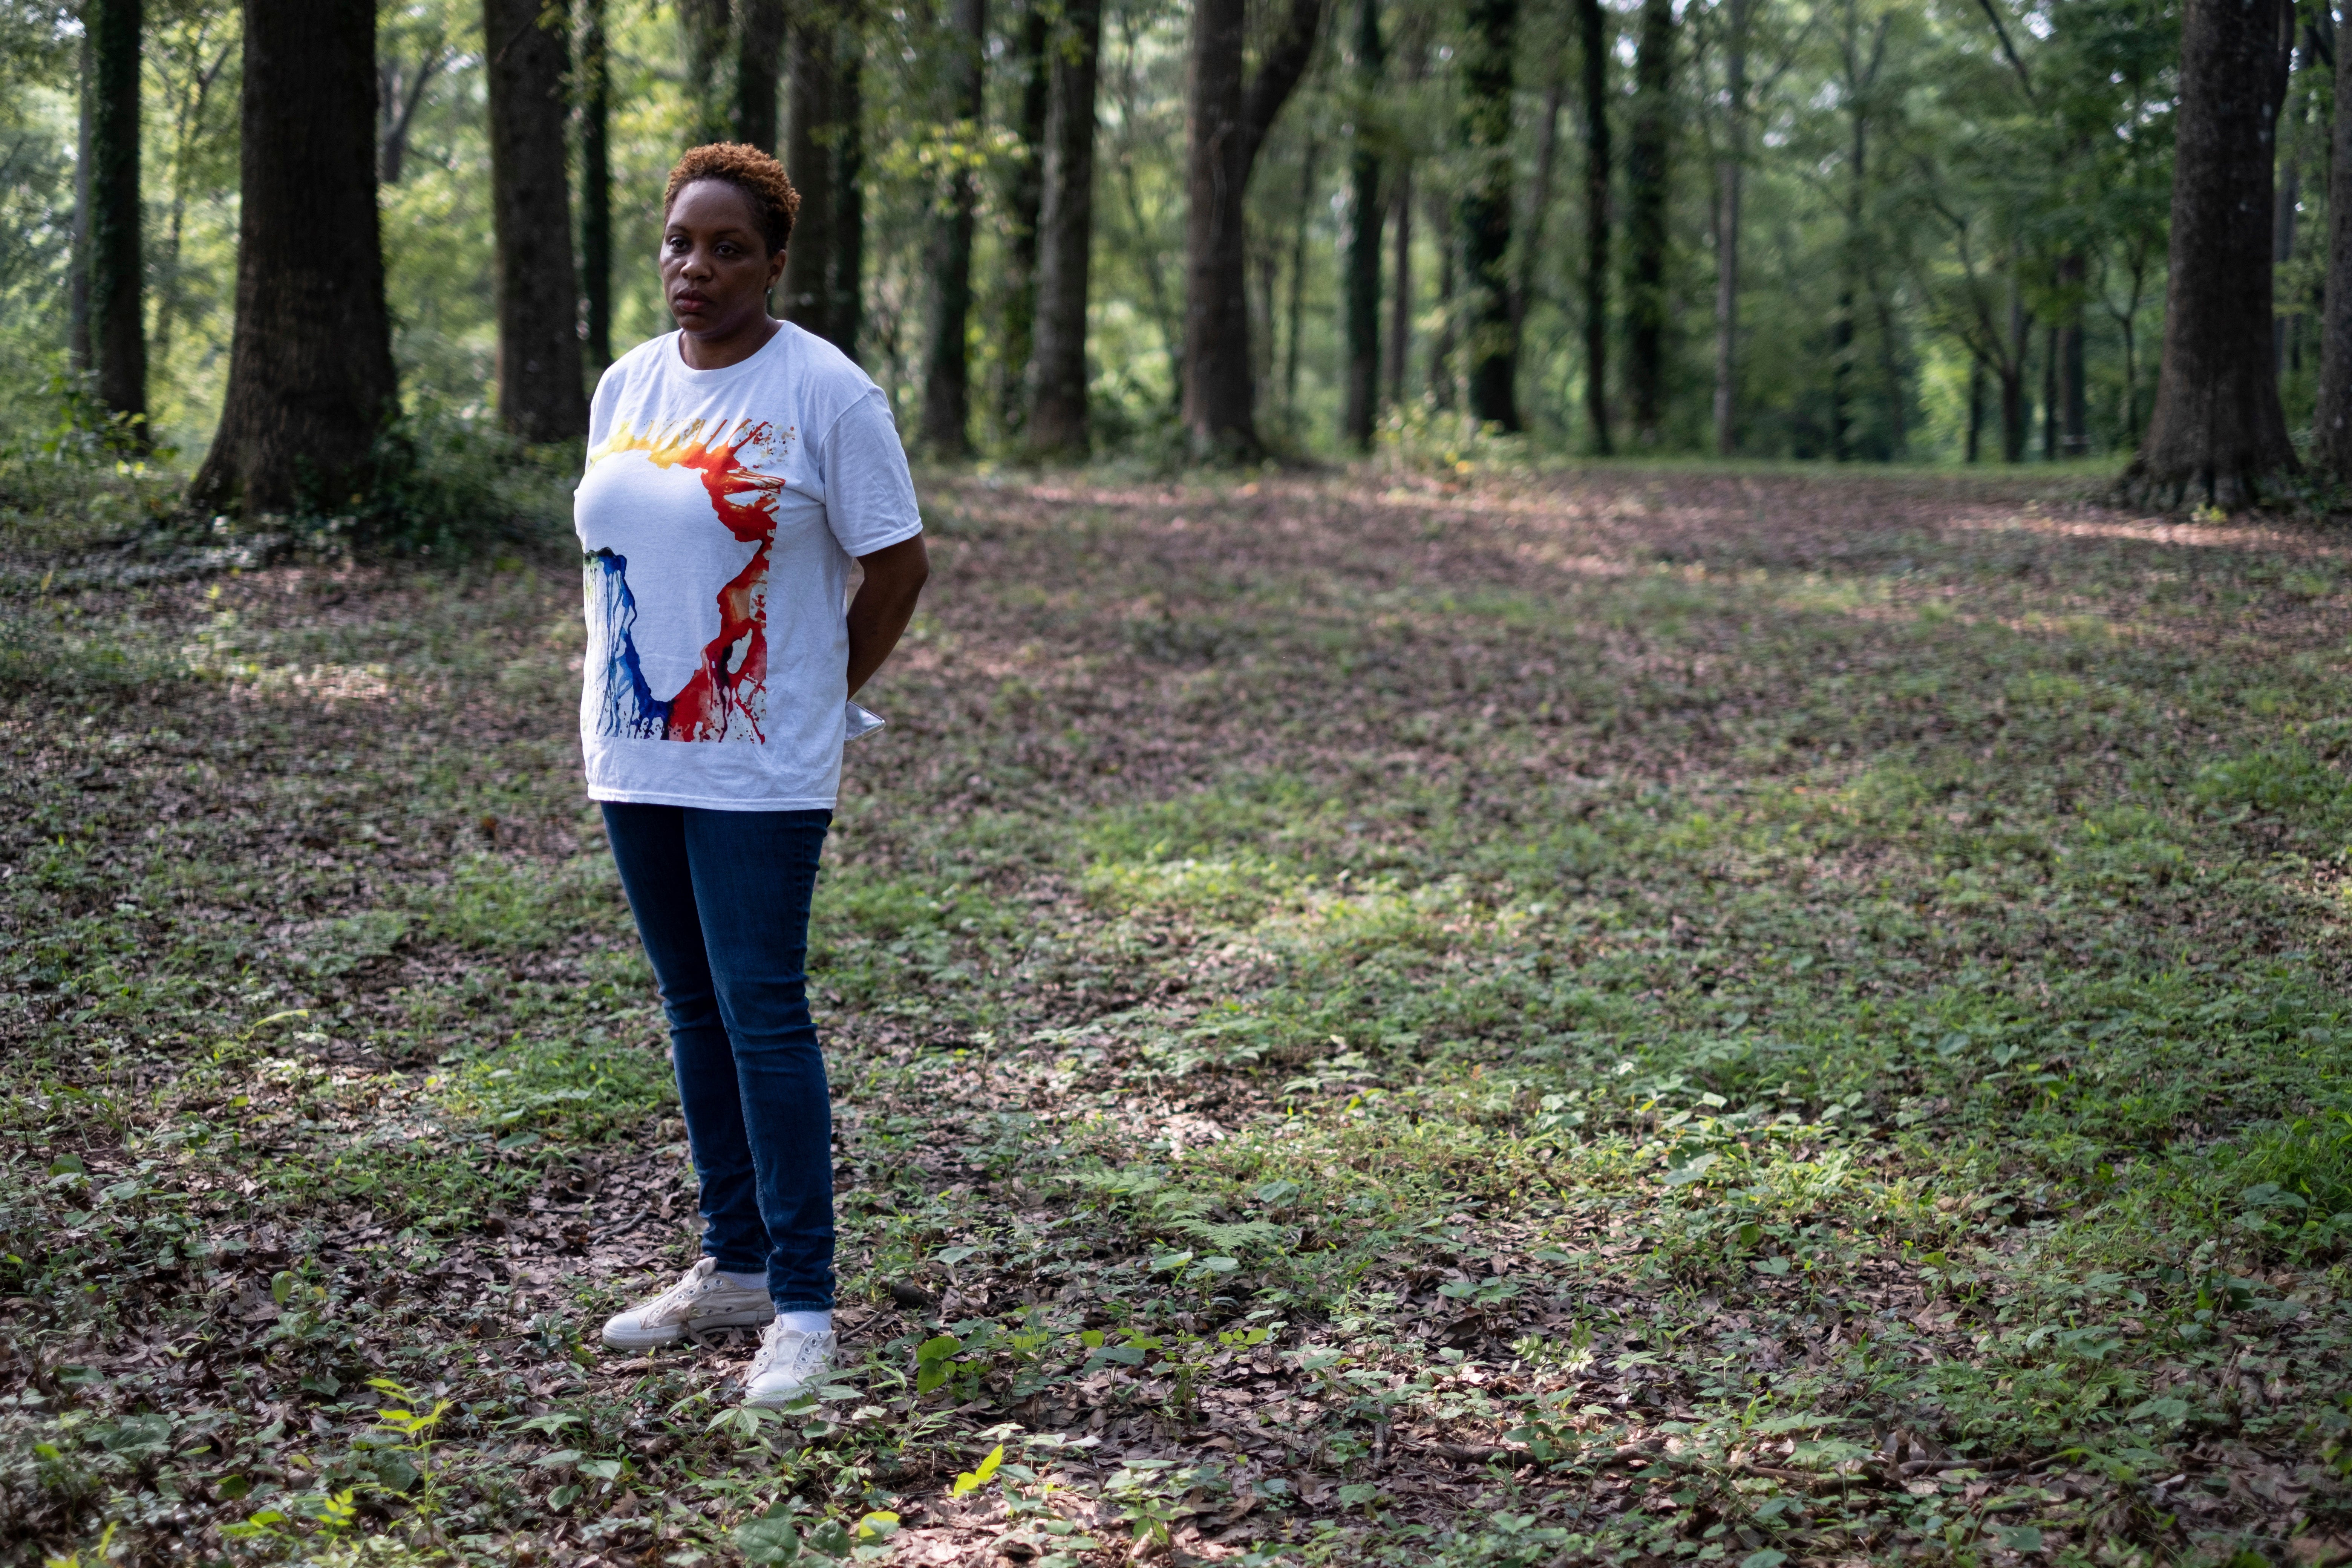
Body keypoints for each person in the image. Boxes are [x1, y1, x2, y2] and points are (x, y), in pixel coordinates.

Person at [575, 143, 928, 1407]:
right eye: (680, 242)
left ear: (774, 264)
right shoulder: (625, 385)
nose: (697, 267)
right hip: (634, 749)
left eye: (729, 248)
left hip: (762, 764)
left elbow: (897, 563)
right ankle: (730, 1263)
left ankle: (804, 1308)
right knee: (690, 1010)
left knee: (762, 1009)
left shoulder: (826, 392)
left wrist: (823, 694)